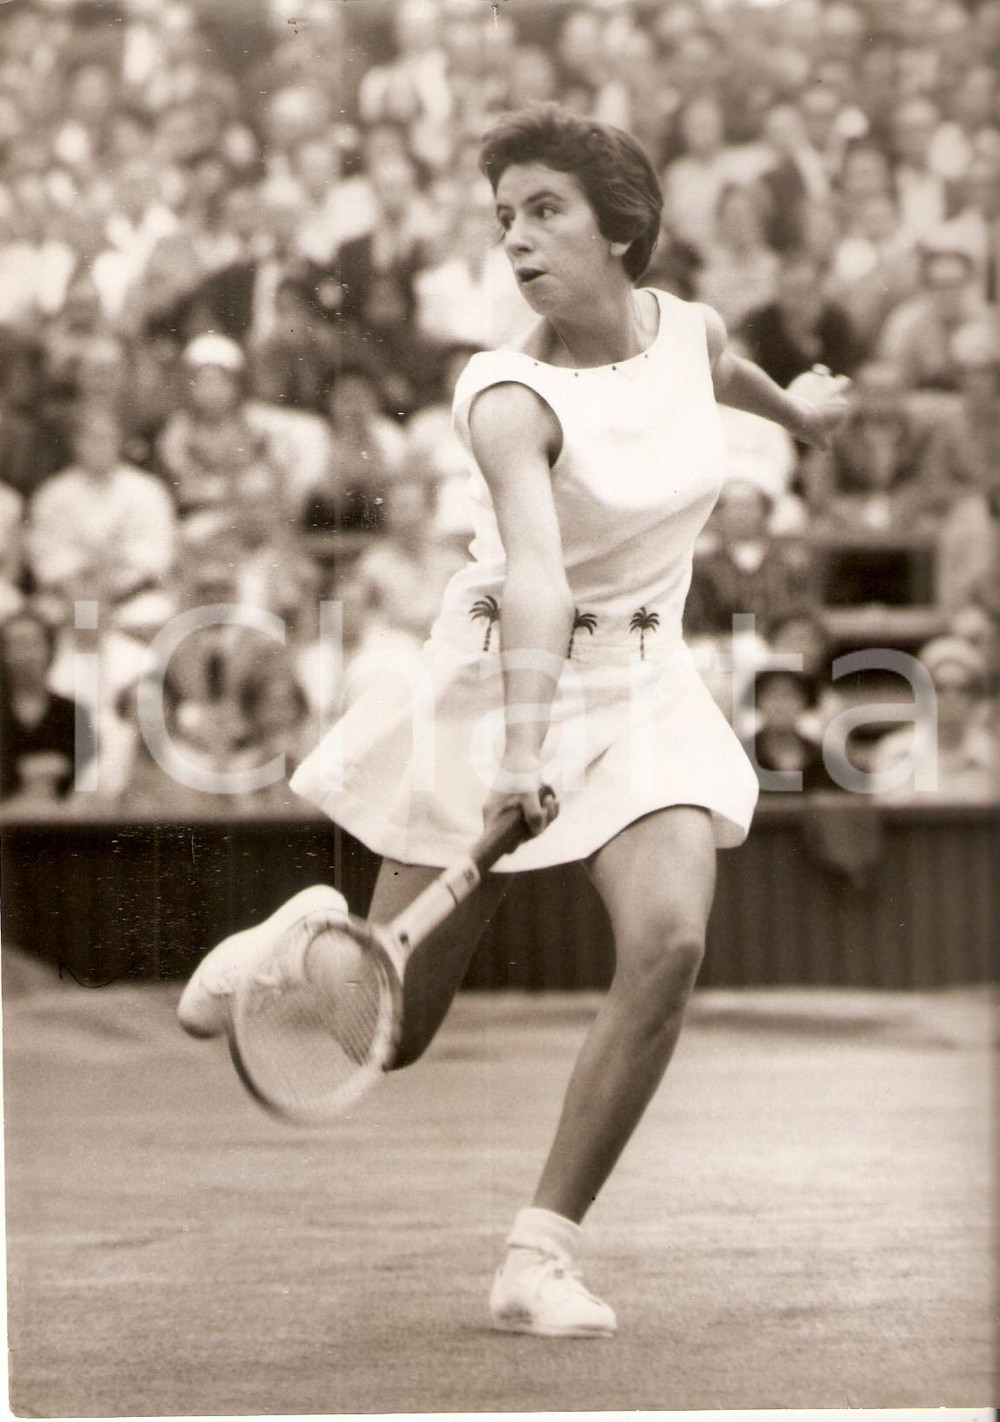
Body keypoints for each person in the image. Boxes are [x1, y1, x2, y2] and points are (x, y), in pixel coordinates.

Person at [179, 105, 851, 1338]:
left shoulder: (686, 327)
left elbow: (718, 371)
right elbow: (538, 574)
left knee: (670, 944)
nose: (518, 241)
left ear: (621, 228)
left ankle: (536, 1257)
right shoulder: (504, 393)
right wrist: (527, 747)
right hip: (501, 686)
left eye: (545, 211)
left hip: (647, 687)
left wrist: (799, 416)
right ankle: (307, 936)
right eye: (505, 220)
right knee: (384, 1039)